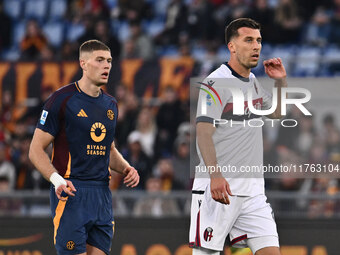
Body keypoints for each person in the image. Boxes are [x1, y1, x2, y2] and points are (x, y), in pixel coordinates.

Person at [29, 39, 140, 255]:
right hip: (71, 191)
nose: (106, 65)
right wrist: (57, 180)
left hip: (102, 194)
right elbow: (35, 150)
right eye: (99, 60)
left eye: (109, 61)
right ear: (83, 63)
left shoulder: (111, 105)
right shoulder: (61, 100)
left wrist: (127, 168)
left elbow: (109, 150)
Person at [189, 18, 287, 255]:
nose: (257, 46)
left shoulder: (251, 82)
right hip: (220, 189)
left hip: (253, 191)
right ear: (232, 46)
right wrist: (215, 176)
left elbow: (276, 112)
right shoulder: (216, 82)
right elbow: (203, 132)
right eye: (249, 40)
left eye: (259, 40)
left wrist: (280, 82)